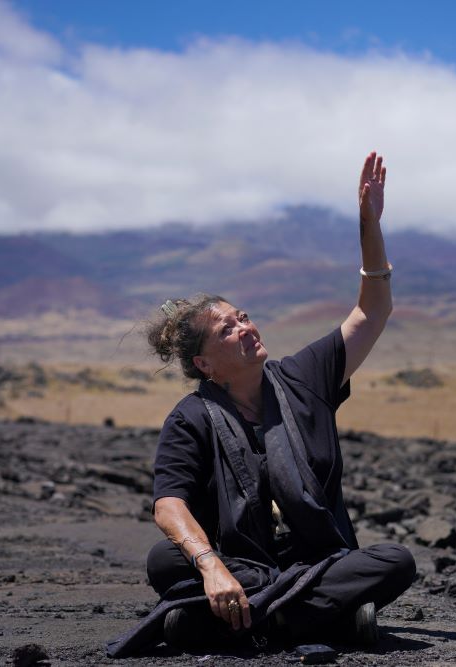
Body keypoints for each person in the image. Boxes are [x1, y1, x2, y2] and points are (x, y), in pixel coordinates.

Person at [133, 152, 415, 652]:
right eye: (228, 328)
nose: (245, 327)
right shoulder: (192, 418)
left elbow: (373, 311)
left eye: (243, 316)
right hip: (238, 563)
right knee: (166, 560)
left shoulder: (304, 377)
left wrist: (369, 225)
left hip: (320, 559)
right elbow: (169, 503)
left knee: (395, 561)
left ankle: (240, 623)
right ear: (204, 364)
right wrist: (212, 566)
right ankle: (320, 618)